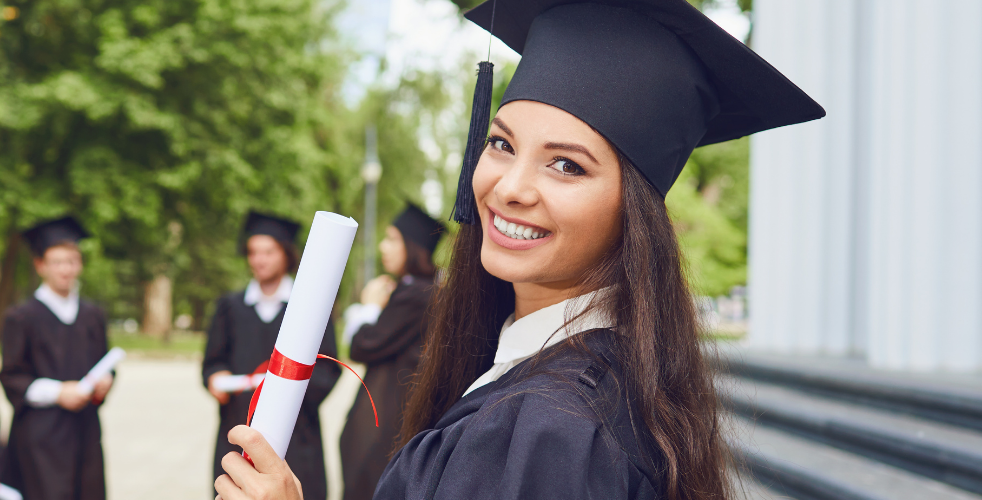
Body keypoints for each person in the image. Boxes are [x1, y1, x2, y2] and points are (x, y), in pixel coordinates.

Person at [212, 1, 824, 499]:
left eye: (565, 165)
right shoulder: (586, 378)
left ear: (631, 211)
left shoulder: (552, 433)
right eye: (502, 144)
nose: (509, 188)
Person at [202, 211, 340, 499]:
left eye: (268, 251)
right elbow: (213, 361)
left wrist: (287, 393)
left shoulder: (310, 308)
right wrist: (215, 378)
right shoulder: (230, 306)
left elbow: (328, 368)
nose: (259, 259)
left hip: (297, 433)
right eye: (253, 252)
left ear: (286, 254)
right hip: (238, 424)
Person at [0, 216, 113, 500]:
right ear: (41, 266)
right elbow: (12, 377)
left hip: (85, 433)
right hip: (40, 439)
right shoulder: (21, 317)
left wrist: (105, 383)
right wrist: (59, 392)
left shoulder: (92, 315)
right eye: (57, 261)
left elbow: (104, 361)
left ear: (80, 264)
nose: (66, 269)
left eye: (72, 261)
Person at [339, 203, 443, 500]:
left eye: (392, 238)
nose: (383, 247)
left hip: (385, 423)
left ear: (413, 247)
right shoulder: (420, 290)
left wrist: (370, 304)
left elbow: (362, 345)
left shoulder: (416, 294)